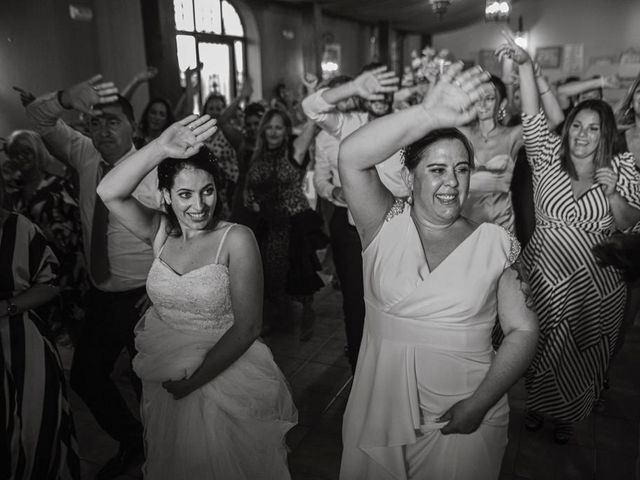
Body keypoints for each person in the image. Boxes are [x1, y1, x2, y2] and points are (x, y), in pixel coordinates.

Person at [336, 62, 539, 479]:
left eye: (463, 169)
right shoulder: (382, 224)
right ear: (409, 178)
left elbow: (523, 331)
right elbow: (350, 156)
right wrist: (427, 115)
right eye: (437, 169)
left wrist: (478, 404)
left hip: (463, 415)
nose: (452, 182)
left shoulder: (494, 244)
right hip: (381, 407)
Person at [96, 113, 297, 479]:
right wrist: (159, 148)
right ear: (165, 196)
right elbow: (109, 191)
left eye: (207, 190)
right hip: (166, 372)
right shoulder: (159, 232)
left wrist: (193, 381)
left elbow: (249, 326)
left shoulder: (235, 238)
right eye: (185, 194)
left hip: (224, 377)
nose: (199, 205)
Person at [497, 32, 640, 443]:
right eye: (576, 125)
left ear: (604, 134)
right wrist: (525, 65)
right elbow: (532, 113)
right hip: (544, 277)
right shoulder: (545, 157)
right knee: (539, 346)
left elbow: (630, 224)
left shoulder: (624, 169)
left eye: (593, 129)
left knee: (580, 353)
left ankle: (566, 416)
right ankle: (539, 408)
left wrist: (612, 193)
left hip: (596, 286)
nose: (582, 134)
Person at [26, 75, 160, 478]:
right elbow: (39, 119)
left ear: (133, 128)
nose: (102, 131)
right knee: (86, 377)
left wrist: (162, 289)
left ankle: (159, 457)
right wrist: (65, 96)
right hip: (102, 295)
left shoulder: (155, 168)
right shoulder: (85, 154)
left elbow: (184, 233)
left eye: (113, 122)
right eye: (96, 122)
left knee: (149, 390)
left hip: (145, 297)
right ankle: (132, 441)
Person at [302, 63, 410, 369]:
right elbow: (311, 108)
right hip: (355, 229)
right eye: (371, 86)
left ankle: (395, 367)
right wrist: (352, 86)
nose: (377, 93)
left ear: (392, 91)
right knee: (356, 300)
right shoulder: (350, 123)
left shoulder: (405, 124)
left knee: (397, 302)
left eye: (383, 86)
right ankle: (361, 369)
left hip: (400, 229)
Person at [0, 173, 81, 480]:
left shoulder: (20, 229)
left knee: (37, 432)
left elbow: (49, 284)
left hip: (22, 344)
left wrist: (7, 307)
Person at [245, 109, 325, 339]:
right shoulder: (256, 154)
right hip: (267, 223)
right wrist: (251, 201)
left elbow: (312, 123)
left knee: (300, 273)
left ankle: (307, 315)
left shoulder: (295, 150)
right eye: (269, 127)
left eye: (278, 127)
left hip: (292, 221)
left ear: (287, 130)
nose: (273, 132)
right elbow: (250, 186)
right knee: (269, 274)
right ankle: (279, 316)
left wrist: (312, 92)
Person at [2, 130, 86, 343]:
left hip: (61, 270)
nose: (21, 158)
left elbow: (78, 229)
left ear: (38, 152)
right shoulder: (10, 190)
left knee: (61, 338)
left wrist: (48, 233)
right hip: (23, 273)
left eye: (27, 152)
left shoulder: (58, 186)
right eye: (15, 153)